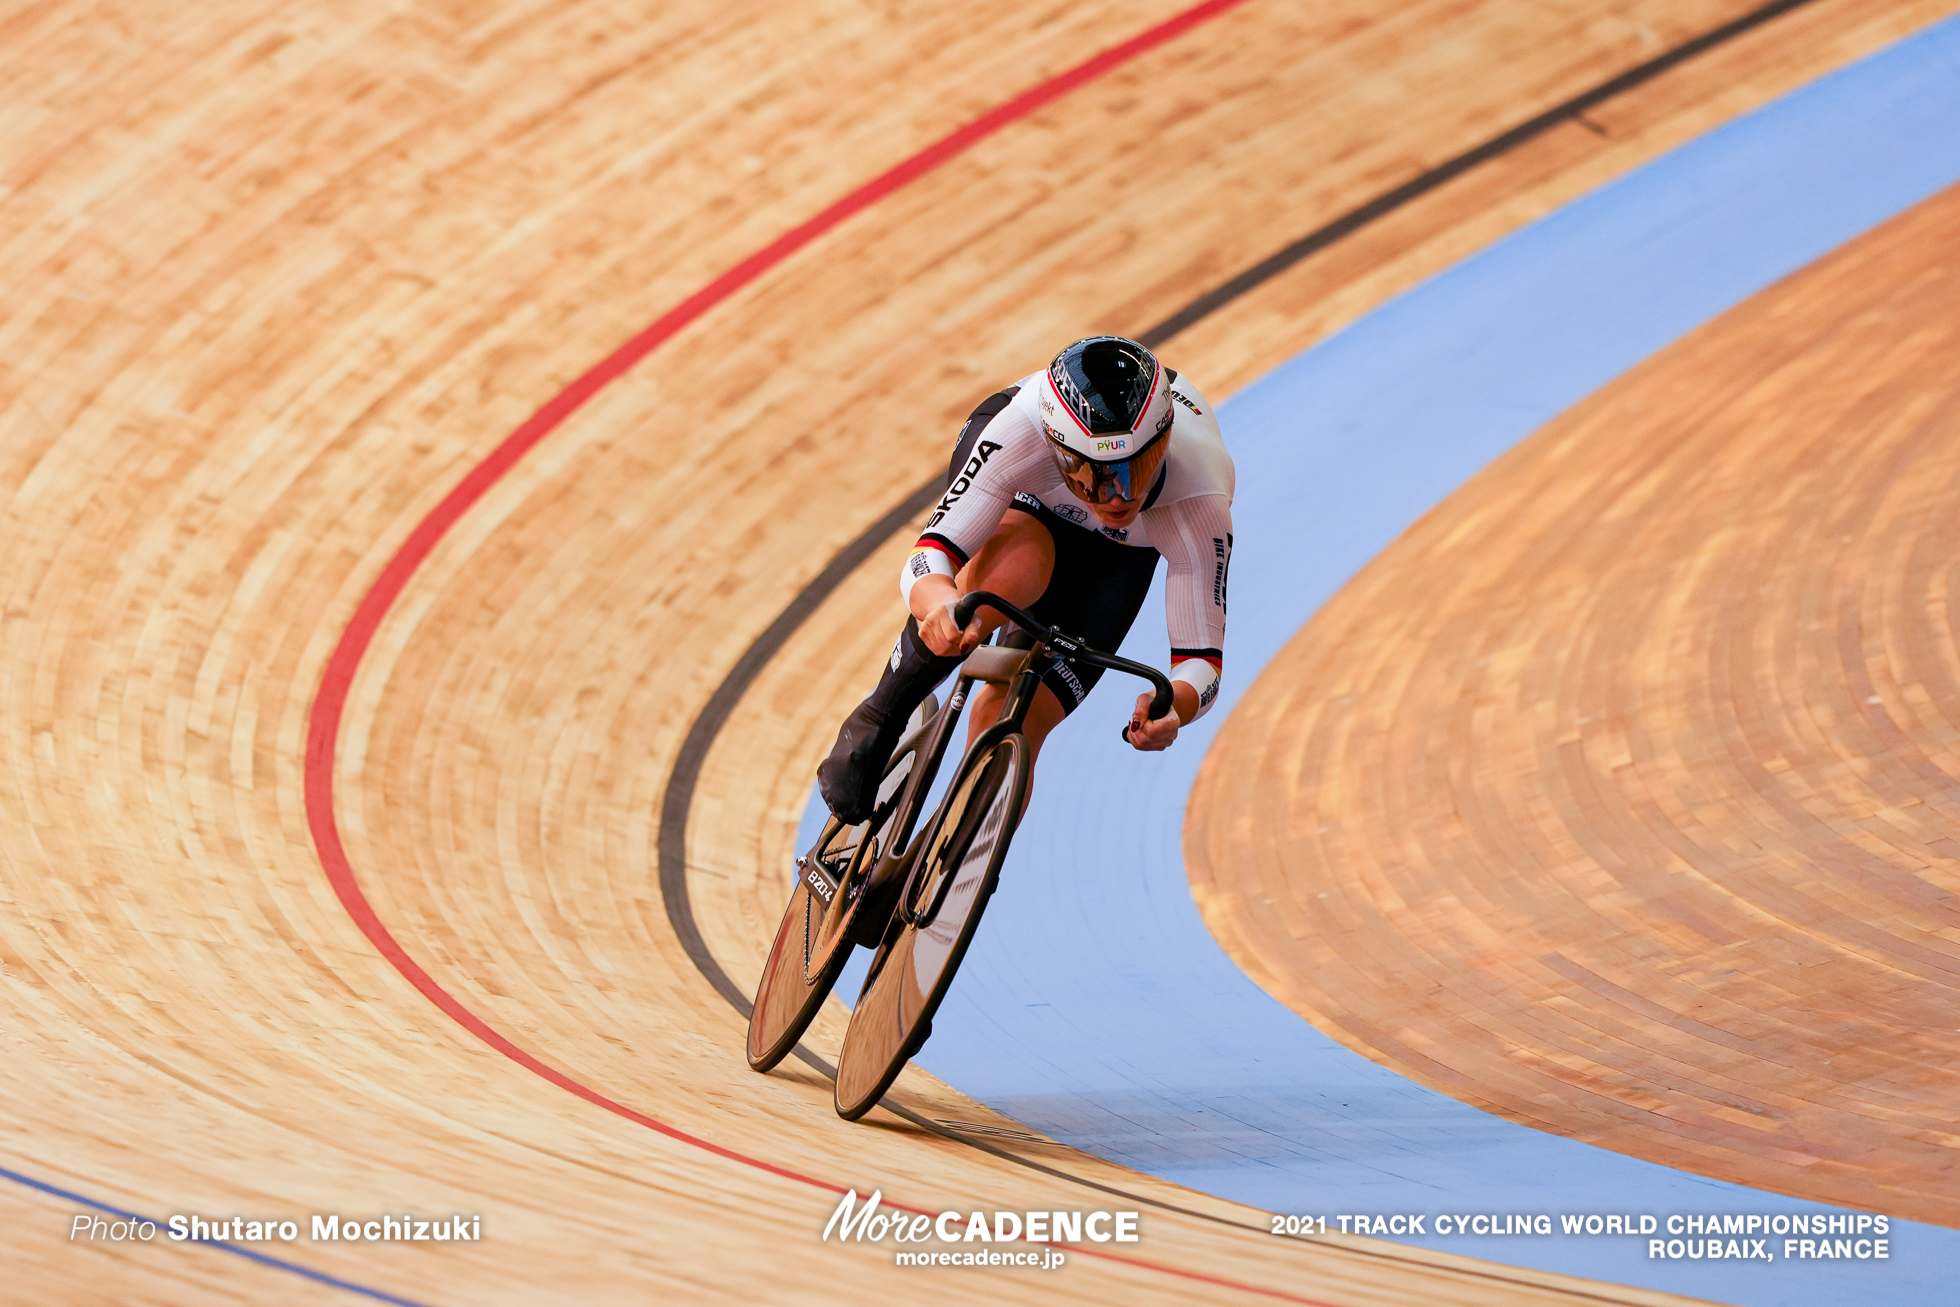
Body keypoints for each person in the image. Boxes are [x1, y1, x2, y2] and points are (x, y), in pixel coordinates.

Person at [817, 335, 1234, 823]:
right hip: (1032, 494)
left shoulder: (1199, 497)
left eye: (1138, 469)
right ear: (1062, 452)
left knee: (1012, 723)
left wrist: (1173, 708)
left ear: (1162, 444)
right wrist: (940, 603)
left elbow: (1201, 662)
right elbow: (929, 557)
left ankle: (951, 868)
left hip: (1119, 554)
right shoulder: (1021, 434)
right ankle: (881, 712)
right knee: (998, 585)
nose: (1121, 495)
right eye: (1099, 475)